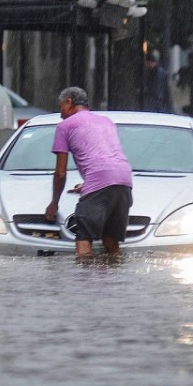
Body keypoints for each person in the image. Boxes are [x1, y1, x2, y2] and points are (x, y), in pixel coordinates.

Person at [45, 87, 134, 260]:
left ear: (69, 102)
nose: (60, 114)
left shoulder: (65, 126)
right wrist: (90, 183)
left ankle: (83, 278)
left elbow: (60, 173)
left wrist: (54, 204)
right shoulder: (107, 121)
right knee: (111, 241)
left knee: (84, 242)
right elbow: (106, 156)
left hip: (99, 181)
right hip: (124, 179)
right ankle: (118, 276)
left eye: (61, 107)